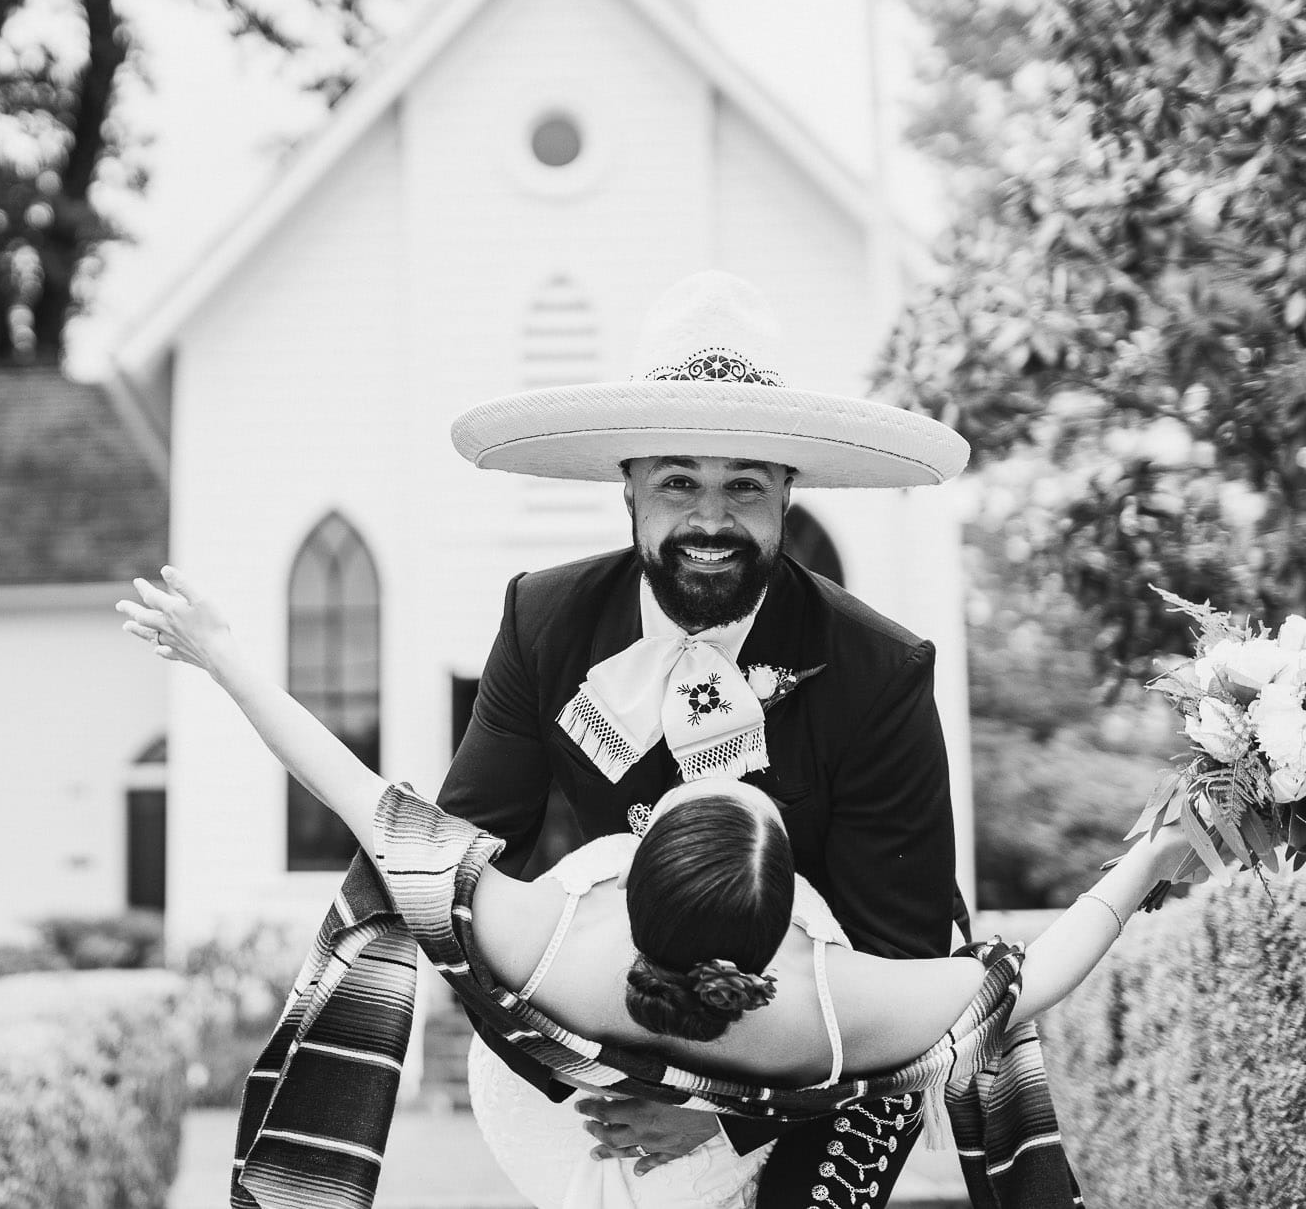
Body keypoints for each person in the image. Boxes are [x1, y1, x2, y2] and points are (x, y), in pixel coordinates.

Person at [117, 567, 1180, 1209]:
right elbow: (1035, 974)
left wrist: (222, 658)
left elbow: (353, 789)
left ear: (634, 867)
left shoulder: (546, 938)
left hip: (550, 1125)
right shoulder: (819, 1006)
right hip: (715, 1163)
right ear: (783, 925)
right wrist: (1151, 854)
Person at [438, 270, 974, 1206]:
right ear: (630, 485)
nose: (712, 519)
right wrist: (589, 1060)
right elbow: (456, 870)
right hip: (599, 1070)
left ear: (788, 492)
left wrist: (726, 1112)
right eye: (679, 480)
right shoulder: (543, 623)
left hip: (818, 1084)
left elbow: (901, 967)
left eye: (745, 485)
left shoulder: (880, 673)